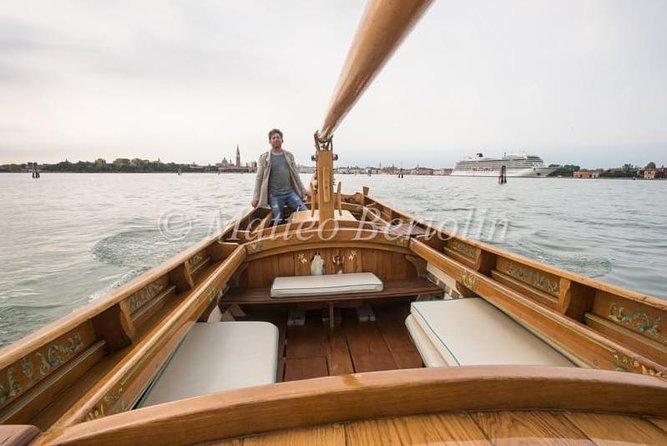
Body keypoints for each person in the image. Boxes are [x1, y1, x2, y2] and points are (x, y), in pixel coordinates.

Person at [251, 128, 308, 224]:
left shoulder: (289, 156)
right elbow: (259, 178)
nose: (276, 139)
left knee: (304, 212)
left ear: (282, 140)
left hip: (290, 193)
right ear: (270, 141)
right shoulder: (264, 158)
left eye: (278, 137)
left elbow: (296, 176)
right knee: (277, 220)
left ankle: (295, 227)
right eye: (273, 138)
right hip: (274, 195)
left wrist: (303, 190)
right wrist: (255, 198)